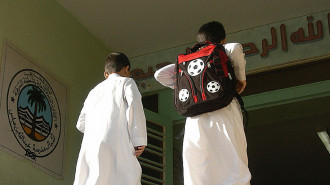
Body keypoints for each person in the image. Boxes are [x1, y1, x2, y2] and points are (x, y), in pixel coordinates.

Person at [154, 21, 251, 185]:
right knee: (233, 158)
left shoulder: (186, 60)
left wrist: (184, 87)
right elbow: (235, 48)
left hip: (195, 120)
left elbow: (159, 75)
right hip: (224, 111)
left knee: (198, 166)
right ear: (223, 39)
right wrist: (241, 79)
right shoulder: (222, 50)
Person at [73, 52, 147, 185]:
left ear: (106, 74)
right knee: (124, 177)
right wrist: (139, 139)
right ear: (126, 69)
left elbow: (81, 124)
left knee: (95, 178)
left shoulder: (93, 91)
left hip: (91, 143)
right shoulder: (126, 82)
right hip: (115, 139)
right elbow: (134, 106)